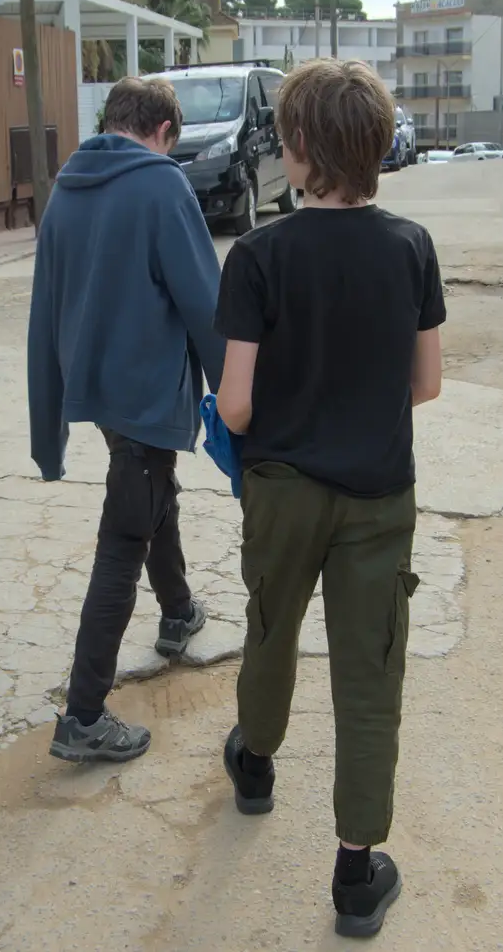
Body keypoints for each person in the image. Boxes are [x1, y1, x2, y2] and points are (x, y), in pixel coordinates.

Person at [211, 58, 446, 938]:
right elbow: (425, 385)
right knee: (369, 671)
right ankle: (356, 875)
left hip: (282, 489)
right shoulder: (410, 247)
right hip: (379, 494)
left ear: (300, 149)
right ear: (378, 144)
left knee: (272, 627)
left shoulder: (260, 256)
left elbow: (235, 403)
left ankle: (257, 767)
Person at [27, 77, 224, 764]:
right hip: (145, 392)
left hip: (97, 389)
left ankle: (178, 612)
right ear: (165, 132)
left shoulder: (67, 188)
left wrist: (46, 409)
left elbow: (44, 304)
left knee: (149, 494)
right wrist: (238, 397)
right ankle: (83, 716)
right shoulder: (162, 186)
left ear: (109, 122)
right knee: (123, 538)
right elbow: (207, 304)